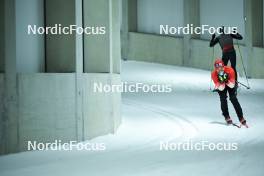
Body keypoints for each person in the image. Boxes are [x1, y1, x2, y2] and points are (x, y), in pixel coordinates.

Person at [211, 59, 248, 127]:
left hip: (230, 83)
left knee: (233, 98)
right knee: (223, 98)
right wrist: (222, 81)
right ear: (215, 69)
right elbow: (221, 88)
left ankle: (241, 117)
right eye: (217, 69)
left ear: (224, 66)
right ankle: (226, 116)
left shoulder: (230, 70)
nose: (220, 70)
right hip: (221, 85)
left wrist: (227, 80)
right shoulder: (213, 74)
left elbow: (232, 85)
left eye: (221, 67)